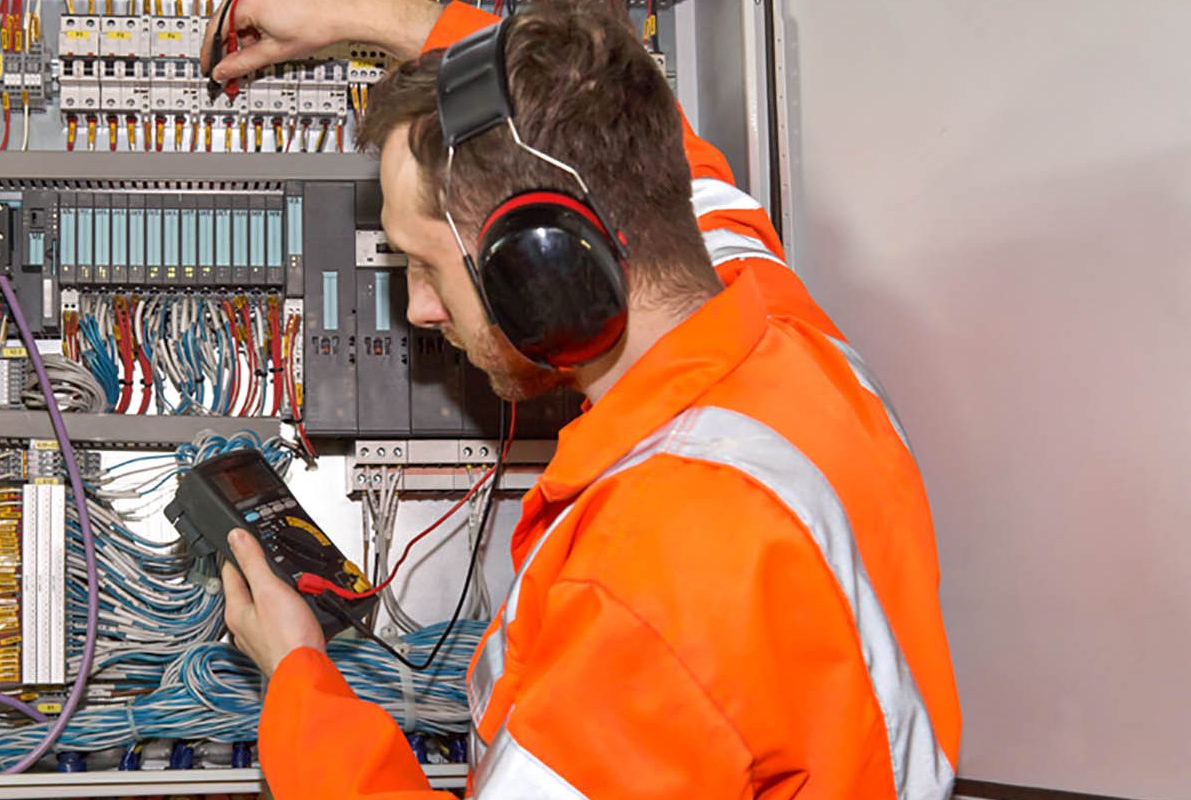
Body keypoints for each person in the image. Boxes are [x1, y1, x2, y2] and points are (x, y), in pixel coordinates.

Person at [202, 1, 961, 797]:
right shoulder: (789, 334)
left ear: (544, 265)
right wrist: (362, 14)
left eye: (425, 265)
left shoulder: (651, 585)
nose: (420, 310)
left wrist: (298, 678)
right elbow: (636, 126)